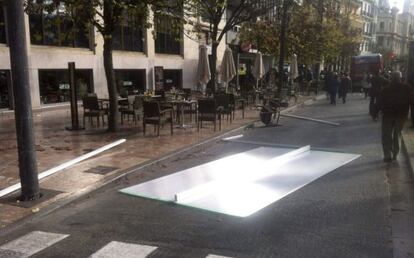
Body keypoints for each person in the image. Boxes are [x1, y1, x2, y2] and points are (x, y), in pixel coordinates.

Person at [374, 71, 414, 163]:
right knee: (397, 135)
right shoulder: (407, 88)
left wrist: (375, 112)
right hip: (401, 115)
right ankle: (395, 154)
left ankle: (387, 155)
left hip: (388, 115)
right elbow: (412, 101)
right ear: (401, 78)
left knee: (386, 136)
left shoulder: (386, 89)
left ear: (391, 78)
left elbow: (379, 102)